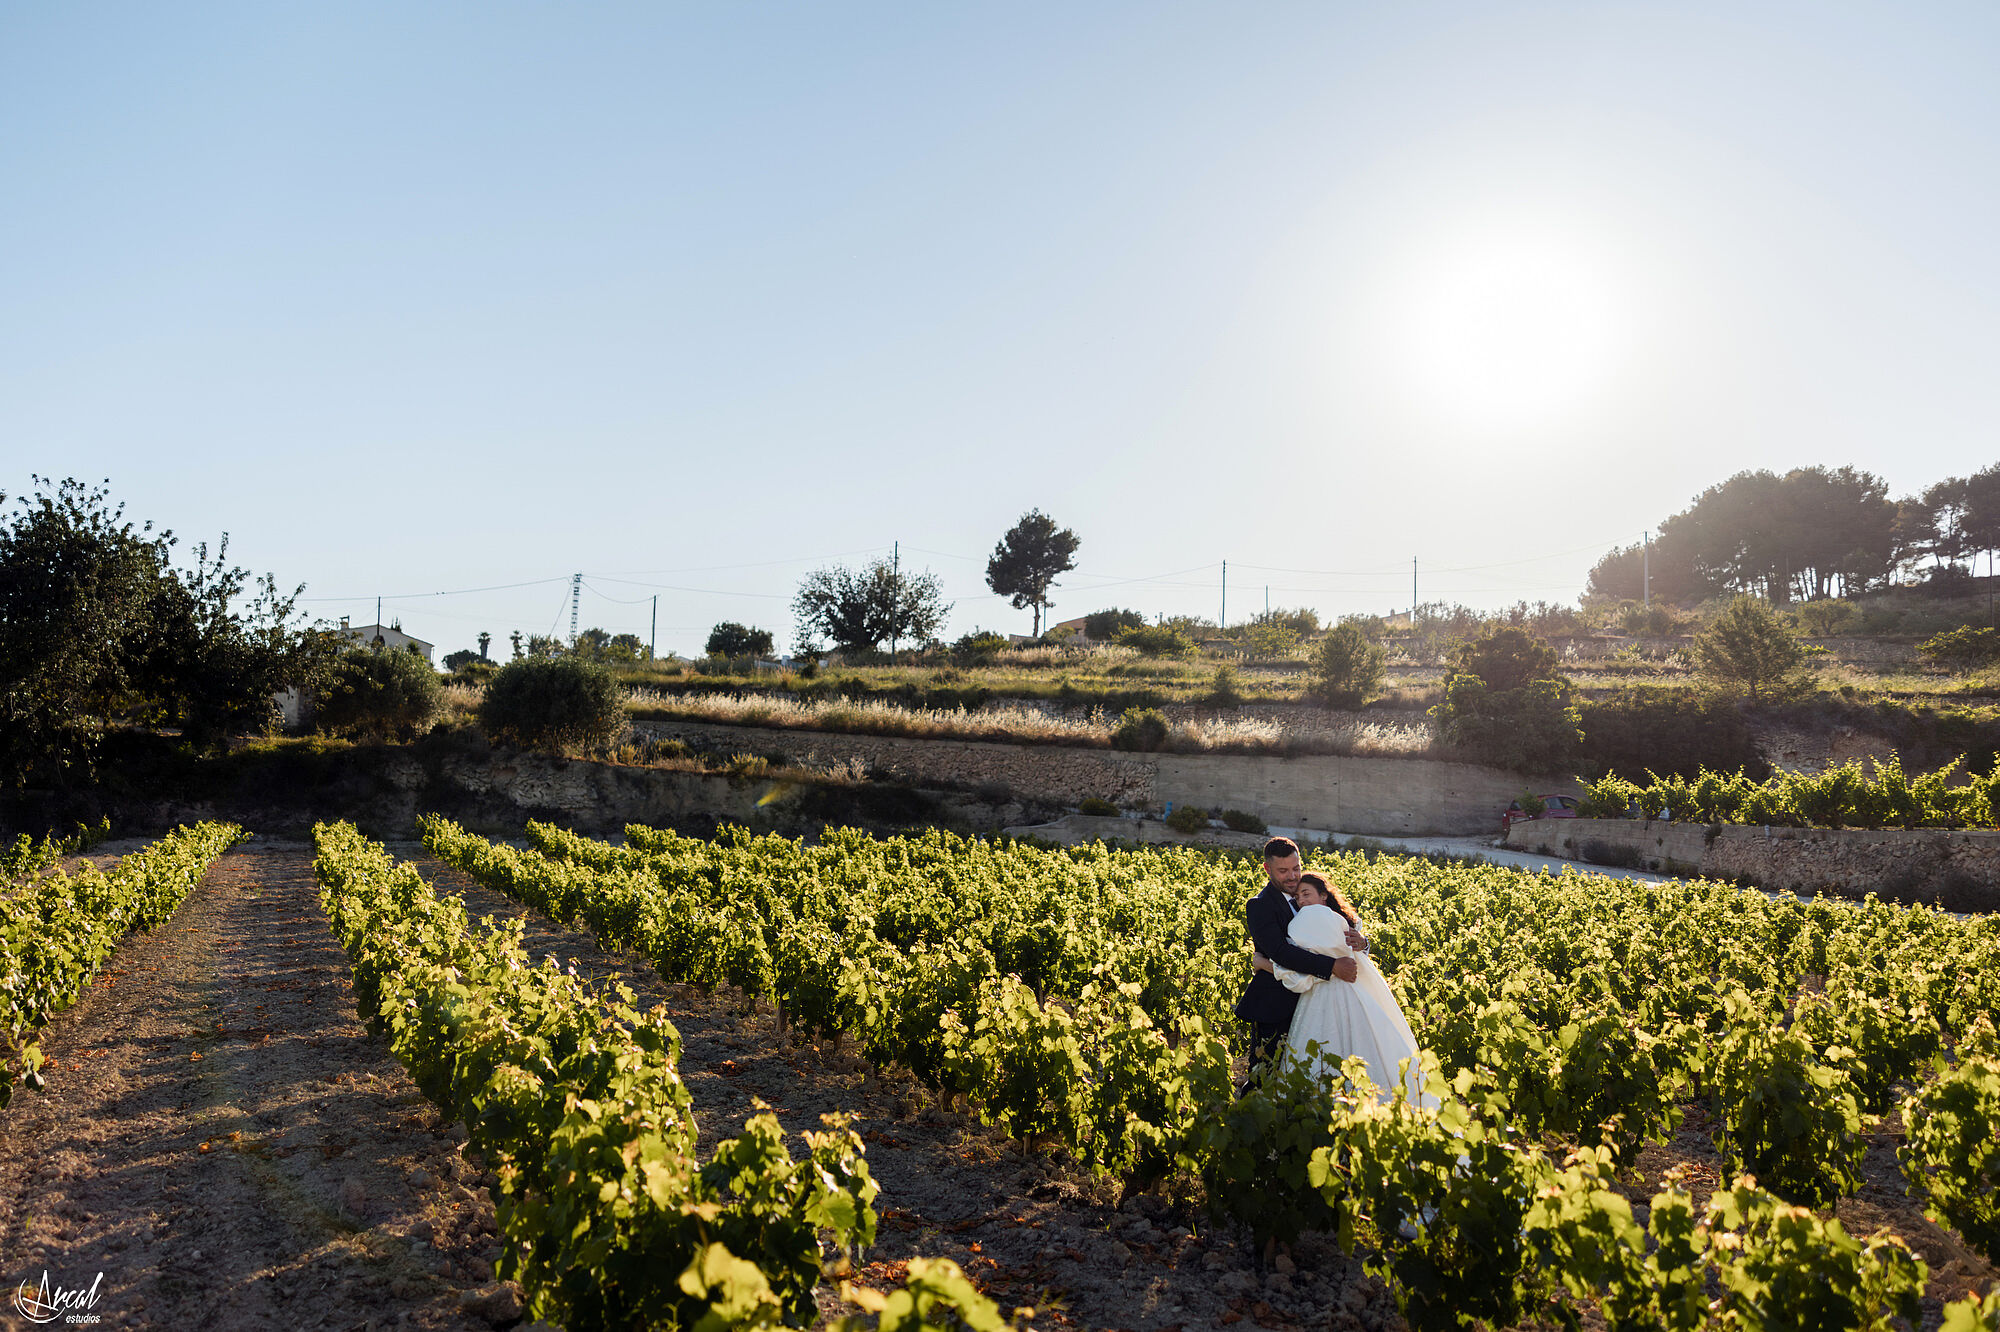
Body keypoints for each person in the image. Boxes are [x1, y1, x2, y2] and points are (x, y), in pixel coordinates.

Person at [1256, 871, 1435, 1109]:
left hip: (1324, 994)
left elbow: (1301, 972)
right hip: (1355, 992)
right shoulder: (1340, 920)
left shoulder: (1307, 922)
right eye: (1298, 897)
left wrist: (1264, 964)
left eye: (1306, 894)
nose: (1301, 901)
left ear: (1323, 896)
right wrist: (1363, 944)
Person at [1232, 837, 1365, 1095]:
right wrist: (1332, 966)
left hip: (1317, 1002)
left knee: (1310, 1071)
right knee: (1264, 1075)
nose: (1292, 876)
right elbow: (1281, 952)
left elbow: (1346, 927)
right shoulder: (1259, 905)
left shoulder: (1311, 892)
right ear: (1267, 869)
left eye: (1296, 868)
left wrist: (1363, 941)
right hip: (1276, 1004)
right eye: (1283, 871)